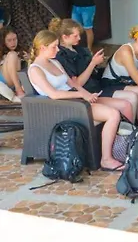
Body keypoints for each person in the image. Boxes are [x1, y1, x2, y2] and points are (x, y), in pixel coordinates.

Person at [28, 30, 124, 171]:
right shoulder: (35, 70)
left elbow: (72, 83)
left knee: (122, 104)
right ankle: (106, 159)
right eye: (54, 47)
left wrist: (87, 94)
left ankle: (122, 148)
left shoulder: (55, 62)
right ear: (42, 48)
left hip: (75, 100)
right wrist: (81, 95)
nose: (58, 50)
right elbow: (54, 94)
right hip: (64, 107)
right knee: (113, 114)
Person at [49, 18, 138, 123]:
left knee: (133, 95)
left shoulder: (79, 50)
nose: (79, 38)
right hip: (89, 91)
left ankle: (134, 128)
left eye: (79, 35)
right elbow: (78, 83)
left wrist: (95, 63)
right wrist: (93, 63)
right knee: (129, 99)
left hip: (96, 85)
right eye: (75, 36)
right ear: (65, 37)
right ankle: (129, 129)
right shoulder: (62, 57)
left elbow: (86, 75)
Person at [0, 27, 26, 102]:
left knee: (15, 55)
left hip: (17, 80)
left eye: (15, 39)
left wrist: (29, 59)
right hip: (3, 80)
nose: (13, 43)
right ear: (3, 41)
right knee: (12, 55)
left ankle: (19, 88)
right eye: (9, 40)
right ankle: (18, 90)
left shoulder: (21, 51)